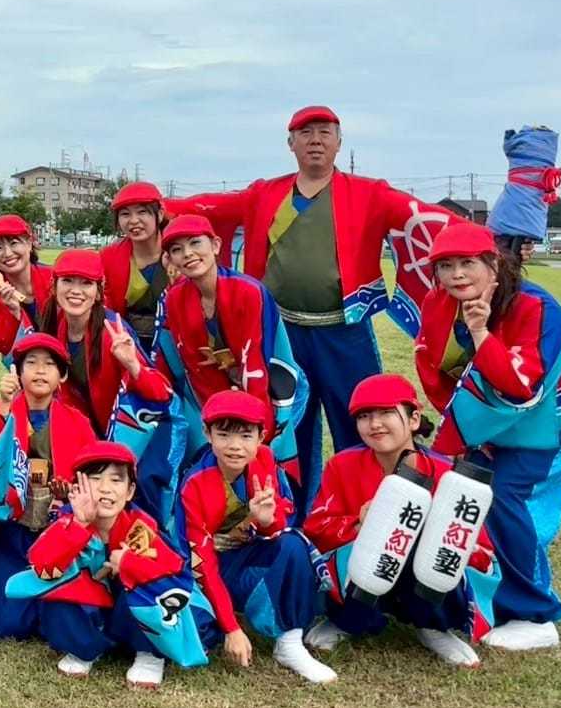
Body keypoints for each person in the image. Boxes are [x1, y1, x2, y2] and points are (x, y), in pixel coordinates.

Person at [165, 105, 452, 512]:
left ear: (339, 142)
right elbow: (210, 207)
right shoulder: (265, 194)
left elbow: (423, 217)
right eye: (305, 133)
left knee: (362, 421)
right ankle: (293, 514)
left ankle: (369, 510)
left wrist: (493, 239)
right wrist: (156, 206)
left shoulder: (370, 193)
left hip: (346, 331)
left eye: (324, 132)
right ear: (291, 144)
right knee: (288, 429)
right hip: (282, 334)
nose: (315, 140)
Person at [413, 222, 561, 651]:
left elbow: (522, 386)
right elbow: (435, 371)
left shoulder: (537, 307)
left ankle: (536, 614)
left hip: (556, 419)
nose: (457, 275)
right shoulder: (438, 302)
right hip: (491, 422)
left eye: (467, 263)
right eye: (445, 266)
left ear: (494, 264)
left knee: (510, 498)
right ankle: (482, 597)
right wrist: (468, 430)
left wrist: (481, 334)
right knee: (469, 492)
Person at [303, 373, 493, 667]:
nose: (375, 424)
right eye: (364, 416)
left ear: (414, 419)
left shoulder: (449, 475)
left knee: (433, 547)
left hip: (421, 575)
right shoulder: (342, 465)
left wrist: (437, 535)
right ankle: (347, 621)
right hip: (365, 565)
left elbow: (481, 550)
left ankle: (432, 625)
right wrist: (359, 524)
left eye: (386, 413)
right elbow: (316, 529)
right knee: (370, 546)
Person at [19, 442, 216, 685]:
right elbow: (40, 563)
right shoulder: (68, 520)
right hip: (99, 610)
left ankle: (150, 653)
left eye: (116, 480)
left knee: (147, 582)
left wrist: (128, 563)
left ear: (130, 490)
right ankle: (84, 647)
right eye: (94, 478)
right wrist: (79, 525)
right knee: (55, 584)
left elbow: (172, 575)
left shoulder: (140, 526)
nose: (105, 488)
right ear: (77, 487)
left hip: (132, 614)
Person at [176, 392, 333, 684]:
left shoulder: (265, 459)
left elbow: (279, 523)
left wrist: (266, 521)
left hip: (245, 557)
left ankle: (289, 641)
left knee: (294, 544)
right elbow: (201, 563)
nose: (235, 446)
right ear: (207, 434)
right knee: (195, 632)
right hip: (203, 571)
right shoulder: (194, 485)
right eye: (224, 435)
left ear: (261, 437)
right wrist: (232, 628)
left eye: (246, 435)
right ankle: (224, 619)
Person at [155, 215, 308, 479]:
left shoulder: (248, 291)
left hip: (272, 387)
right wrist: (216, 418)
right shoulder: (175, 298)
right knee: (211, 457)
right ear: (170, 259)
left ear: (216, 245)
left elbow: (257, 367)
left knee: (263, 463)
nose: (188, 253)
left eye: (195, 243)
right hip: (214, 390)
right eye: (177, 249)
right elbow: (193, 368)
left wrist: (255, 430)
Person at [36, 250, 180, 523]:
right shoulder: (55, 327)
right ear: (54, 286)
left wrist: (132, 364)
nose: (76, 290)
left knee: (142, 500)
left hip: (144, 427)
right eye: (68, 281)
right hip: (97, 430)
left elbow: (161, 394)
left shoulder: (113, 329)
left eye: (86, 283)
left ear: (99, 292)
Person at [0, 333, 96, 641]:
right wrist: (4, 408)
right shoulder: (0, 411)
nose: (40, 370)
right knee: (7, 624)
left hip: (57, 526)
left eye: (50, 364)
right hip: (14, 527)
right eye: (32, 363)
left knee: (60, 610)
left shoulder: (77, 422)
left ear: (62, 376)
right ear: (18, 372)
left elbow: (91, 475)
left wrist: (69, 494)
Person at [99, 182, 170, 349]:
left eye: (142, 212)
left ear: (160, 214)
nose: (133, 221)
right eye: (125, 214)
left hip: (174, 341)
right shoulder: (109, 257)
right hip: (127, 341)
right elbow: (106, 306)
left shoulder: (178, 251)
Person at [0, 214, 54, 362]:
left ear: (29, 244)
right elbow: (3, 346)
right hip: (21, 360)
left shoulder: (53, 278)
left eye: (14, 243)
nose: (7, 253)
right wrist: (14, 315)